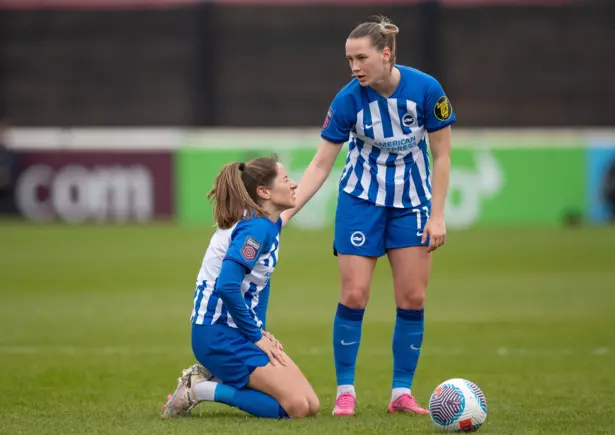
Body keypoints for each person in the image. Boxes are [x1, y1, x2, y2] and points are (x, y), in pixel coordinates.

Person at [281, 15, 456, 416]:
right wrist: (288, 212)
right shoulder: (347, 101)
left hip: (412, 203)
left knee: (412, 296)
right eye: (349, 60)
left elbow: (442, 155)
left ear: (386, 54)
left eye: (361, 57)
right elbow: (322, 164)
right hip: (360, 202)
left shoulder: (427, 90)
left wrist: (438, 214)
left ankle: (401, 393)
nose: (355, 67)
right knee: (354, 294)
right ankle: (346, 390)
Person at [162, 157, 319, 420]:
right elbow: (227, 285)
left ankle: (213, 379)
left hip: (237, 332)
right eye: (286, 180)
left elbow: (257, 287)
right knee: (297, 408)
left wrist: (260, 332)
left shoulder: (268, 222)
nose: (294, 185)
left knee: (311, 404)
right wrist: (257, 336)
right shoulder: (255, 230)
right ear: (264, 192)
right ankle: (199, 390)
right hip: (217, 335)